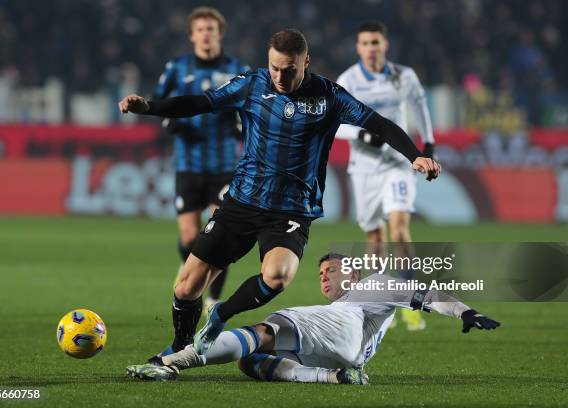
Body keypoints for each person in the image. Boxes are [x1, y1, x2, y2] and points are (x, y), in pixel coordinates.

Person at [118, 28, 441, 362]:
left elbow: (380, 124)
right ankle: (181, 345)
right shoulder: (251, 84)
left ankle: (221, 313)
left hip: (291, 210)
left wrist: (414, 155)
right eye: (274, 67)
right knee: (186, 287)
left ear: (306, 62)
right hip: (242, 202)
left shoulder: (329, 96)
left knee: (278, 275)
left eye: (289, 69)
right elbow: (201, 102)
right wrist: (151, 107)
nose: (280, 76)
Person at [126, 253, 500, 383]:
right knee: (251, 360)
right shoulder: (347, 300)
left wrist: (466, 311)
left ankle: (171, 362)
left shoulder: (373, 285)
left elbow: (430, 297)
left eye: (331, 270)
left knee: (265, 330)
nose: (324, 277)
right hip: (349, 353)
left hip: (344, 328)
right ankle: (334, 379)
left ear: (351, 272)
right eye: (320, 274)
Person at [151, 7, 249, 356]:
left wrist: (240, 124)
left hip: (225, 164)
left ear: (219, 34)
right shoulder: (177, 68)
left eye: (211, 29)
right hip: (189, 164)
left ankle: (214, 298)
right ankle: (193, 279)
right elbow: (161, 105)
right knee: (190, 237)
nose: (206, 34)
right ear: (192, 35)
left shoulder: (238, 69)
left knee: (218, 233)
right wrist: (169, 122)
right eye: (200, 29)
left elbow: (250, 108)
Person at [336, 22, 436, 331]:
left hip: (398, 163)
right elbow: (335, 123)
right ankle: (380, 303)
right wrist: (363, 137)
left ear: (385, 44)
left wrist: (428, 144)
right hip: (364, 167)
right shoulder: (348, 80)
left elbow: (420, 106)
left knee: (400, 230)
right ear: (358, 47)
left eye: (375, 42)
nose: (371, 48)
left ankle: (411, 303)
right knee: (375, 236)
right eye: (365, 43)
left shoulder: (403, 76)